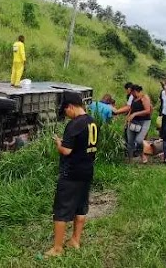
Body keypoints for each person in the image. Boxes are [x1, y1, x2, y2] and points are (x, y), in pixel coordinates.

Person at [46, 93, 98, 257]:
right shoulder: (92, 121)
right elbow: (83, 145)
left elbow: (66, 151)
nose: (66, 115)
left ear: (70, 106)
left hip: (71, 173)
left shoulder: (74, 125)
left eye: (65, 111)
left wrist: (59, 144)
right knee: (80, 207)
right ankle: (75, 240)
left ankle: (57, 248)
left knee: (61, 209)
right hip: (87, 170)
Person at [125, 85, 152, 160]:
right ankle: (130, 159)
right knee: (130, 140)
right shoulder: (134, 98)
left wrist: (135, 114)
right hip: (133, 121)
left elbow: (147, 110)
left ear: (135, 91)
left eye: (131, 92)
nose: (131, 94)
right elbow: (131, 108)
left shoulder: (144, 98)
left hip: (144, 121)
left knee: (139, 140)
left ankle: (144, 154)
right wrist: (128, 116)